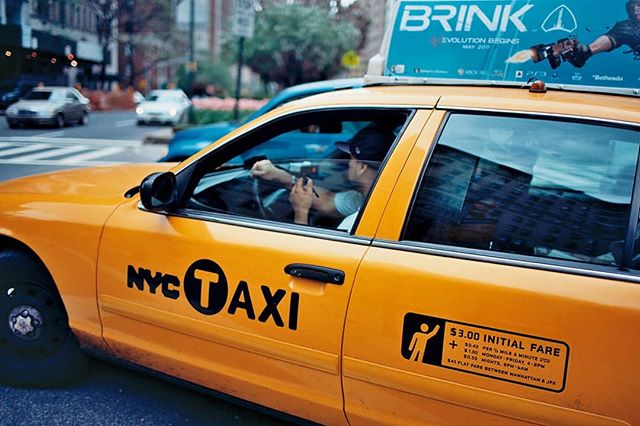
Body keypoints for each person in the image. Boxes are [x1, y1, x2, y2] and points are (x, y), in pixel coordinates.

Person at [250, 125, 395, 231]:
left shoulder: (354, 223)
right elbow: (328, 200)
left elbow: (309, 263)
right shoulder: (371, 199)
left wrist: (301, 211)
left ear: (361, 167)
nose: (348, 164)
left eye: (350, 159)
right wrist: (281, 177)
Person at [566, 0, 640, 67]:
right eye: (633, 10)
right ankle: (584, 52)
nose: (636, 12)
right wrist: (587, 50)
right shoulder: (628, 28)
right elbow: (614, 36)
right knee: (624, 28)